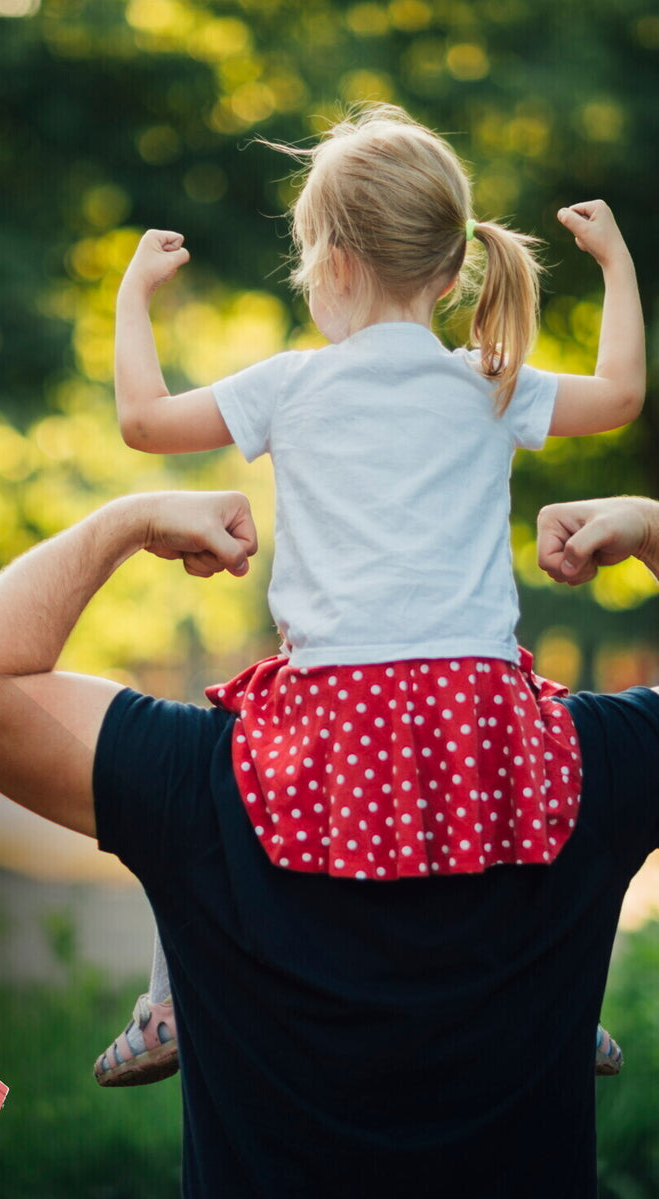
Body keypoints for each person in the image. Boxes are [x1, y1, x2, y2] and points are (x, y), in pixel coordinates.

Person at [0, 489, 659, 1199]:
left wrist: (125, 524)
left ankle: (161, 1006)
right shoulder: (582, 765)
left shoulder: (206, 775)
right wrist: (653, 529)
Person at [96, 103, 644, 1085]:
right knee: (551, 789)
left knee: (199, 786)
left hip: (334, 701)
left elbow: (141, 420)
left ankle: (168, 1003)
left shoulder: (289, 385)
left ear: (329, 263)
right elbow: (618, 393)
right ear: (448, 270)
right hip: (474, 696)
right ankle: (567, 1005)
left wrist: (131, 292)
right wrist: (614, 266)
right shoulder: (491, 379)